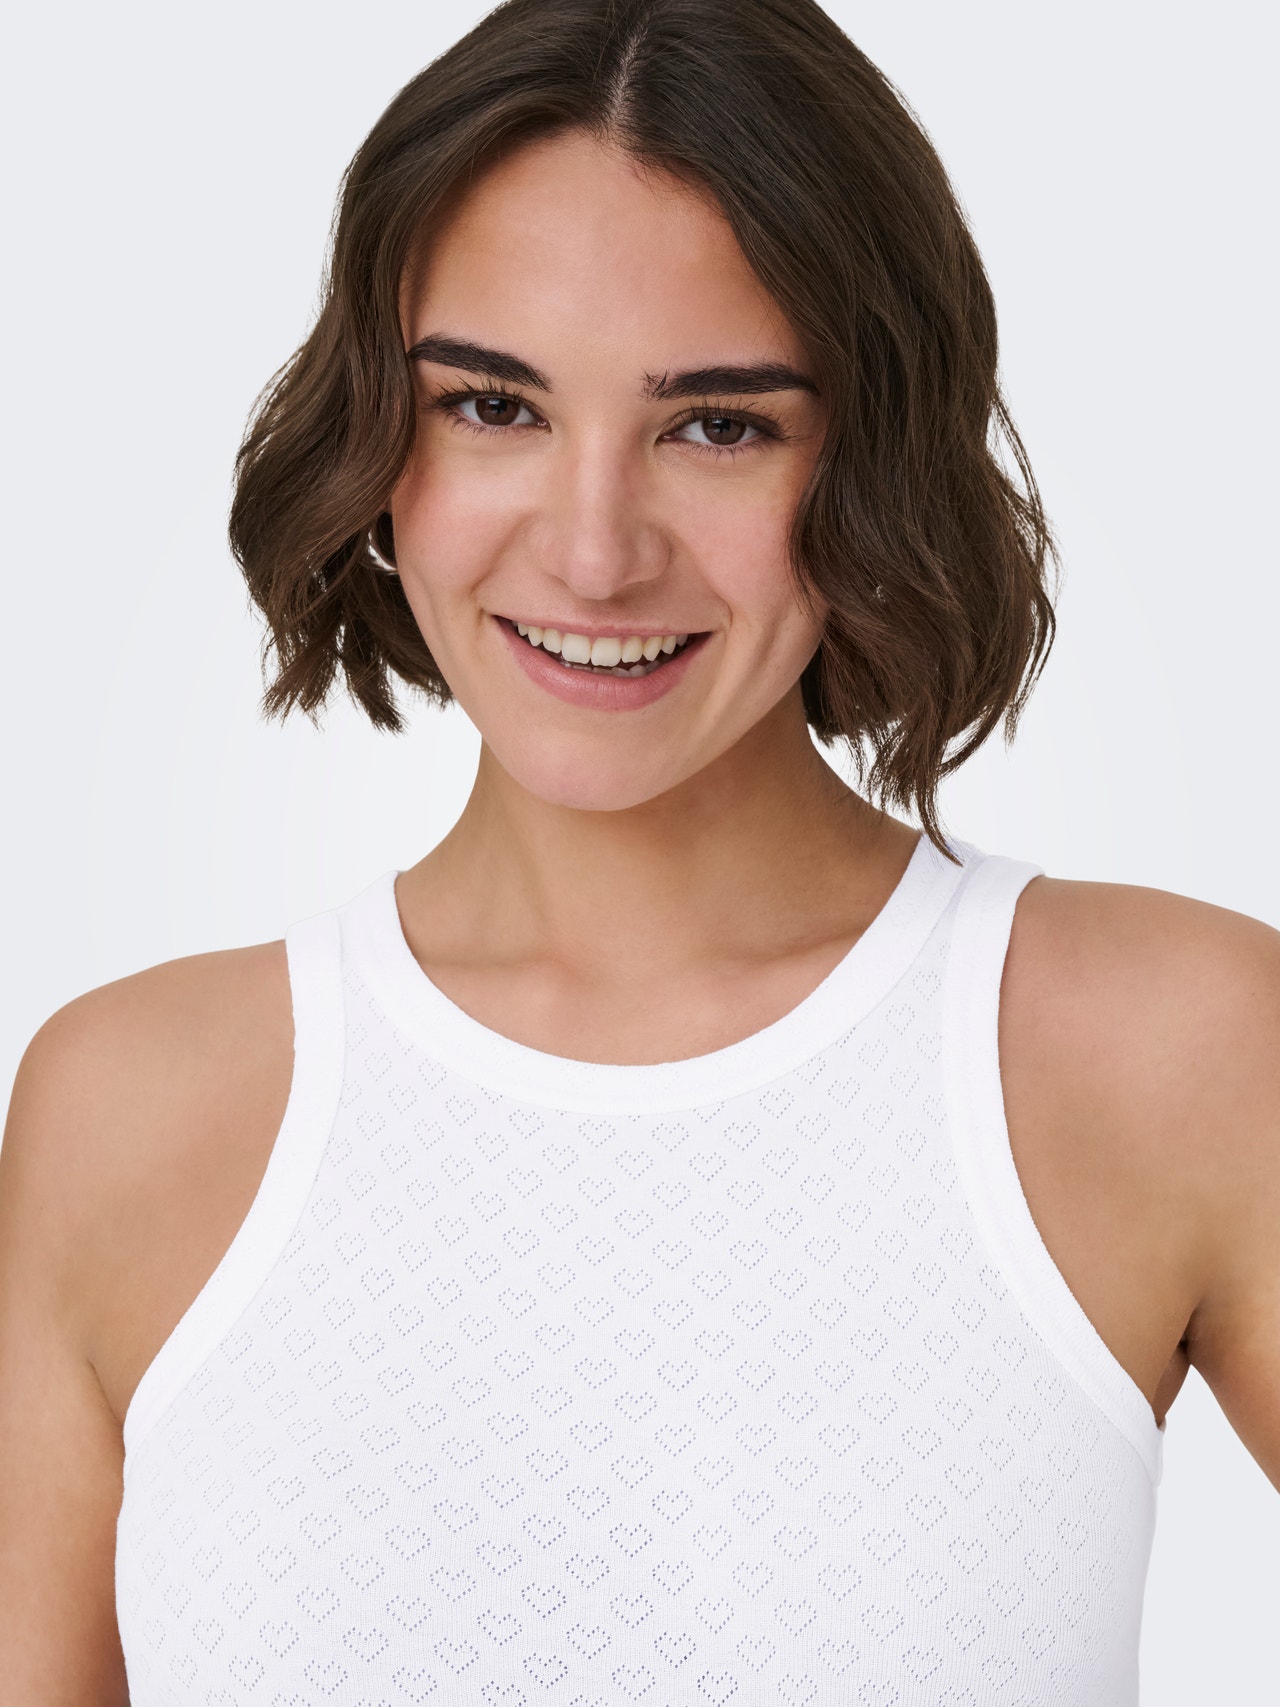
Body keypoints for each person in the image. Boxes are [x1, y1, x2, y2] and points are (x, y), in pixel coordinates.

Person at [0, 0, 1276, 1700]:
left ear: (874, 457)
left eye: (719, 425)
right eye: (492, 406)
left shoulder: (1174, 1052)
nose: (594, 552)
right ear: (377, 439)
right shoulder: (126, 1112)